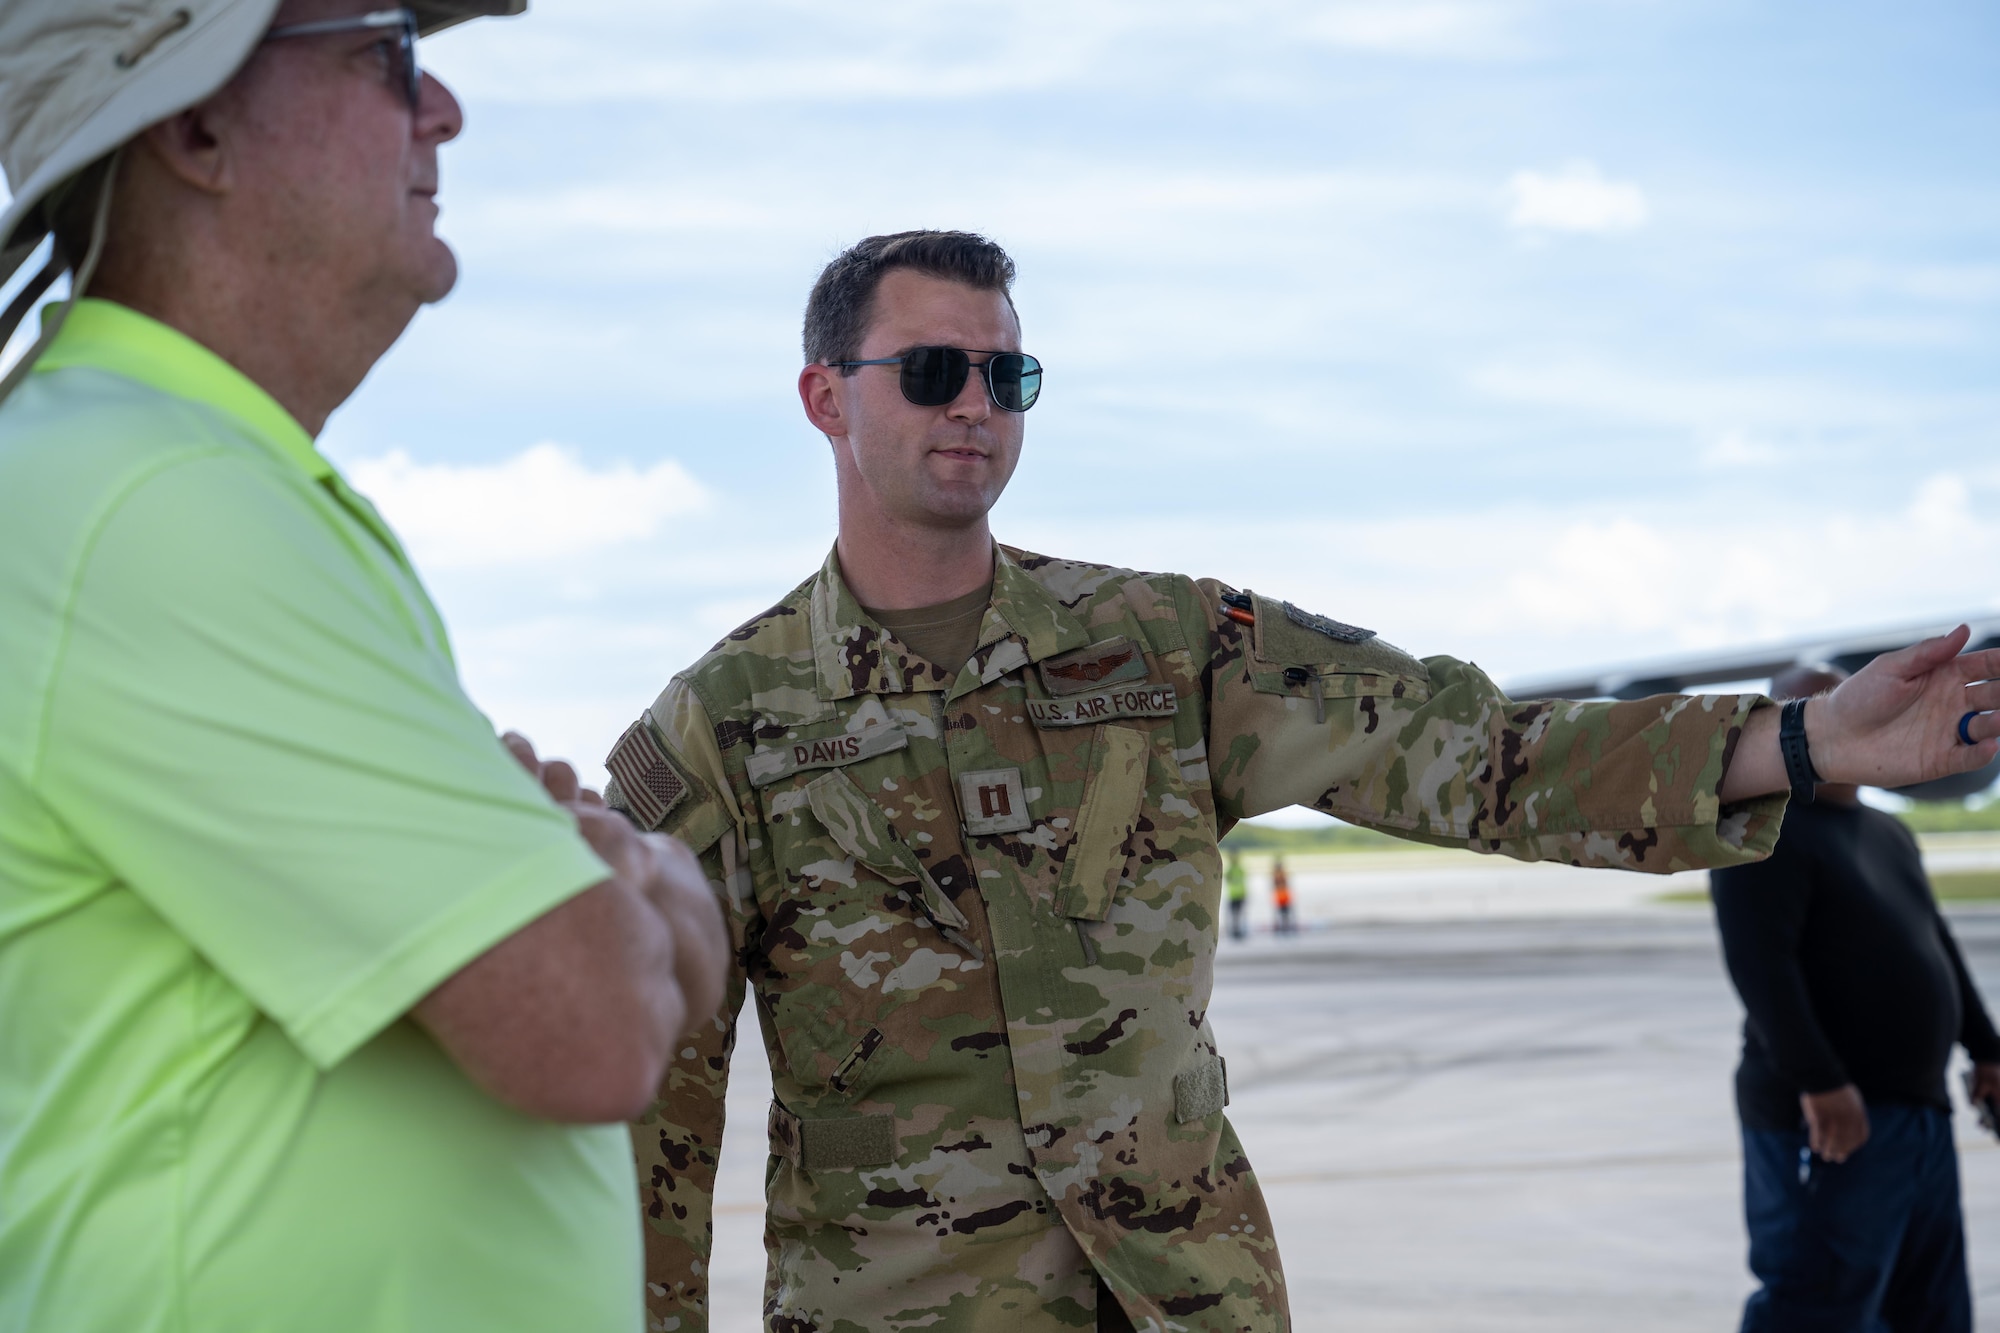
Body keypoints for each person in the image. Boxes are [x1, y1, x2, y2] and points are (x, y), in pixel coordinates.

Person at [604, 229, 2000, 1333]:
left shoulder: (1168, 646)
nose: (974, 403)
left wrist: (1814, 743)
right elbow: (653, 1103)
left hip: (1185, 1297)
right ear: (821, 397)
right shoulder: (729, 725)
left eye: (1005, 376)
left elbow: (1486, 756)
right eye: (930, 371)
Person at [0, 4, 726, 1330]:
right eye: (385, 54)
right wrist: (637, 872)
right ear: (196, 123)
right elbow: (593, 1022)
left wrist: (591, 878)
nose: (442, 107)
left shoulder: (167, 472)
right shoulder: (156, 498)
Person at [1712, 664, 2000, 1333]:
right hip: (1831, 1121)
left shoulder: (1885, 832)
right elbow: (1761, 969)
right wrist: (1821, 1083)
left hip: (1916, 1114)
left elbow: (1937, 945)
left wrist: (1987, 1049)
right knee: (1818, 1302)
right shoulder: (1762, 834)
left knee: (1929, 1306)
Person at [1226, 850, 1249, 940]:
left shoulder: (1236, 869)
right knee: (1235, 914)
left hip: (1237, 894)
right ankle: (1235, 930)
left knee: (1238, 914)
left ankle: (1237, 930)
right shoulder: (1234, 869)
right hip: (1235, 895)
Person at [1272, 857, 1295, 936]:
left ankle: (1283, 928)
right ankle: (1284, 928)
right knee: (1284, 914)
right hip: (1282, 897)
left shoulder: (1277, 874)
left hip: (1282, 896)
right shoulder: (1280, 874)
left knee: (1282, 914)